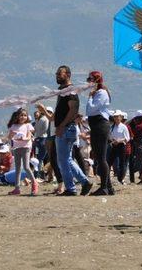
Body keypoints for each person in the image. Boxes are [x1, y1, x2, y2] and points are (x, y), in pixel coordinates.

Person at [37, 65, 92, 196]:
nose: (57, 75)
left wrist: (61, 126)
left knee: (63, 160)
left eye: (59, 73)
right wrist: (44, 110)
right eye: (56, 73)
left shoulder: (70, 91)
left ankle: (71, 188)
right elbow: (53, 117)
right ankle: (84, 182)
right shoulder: (62, 92)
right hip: (65, 128)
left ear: (67, 75)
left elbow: (73, 110)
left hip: (67, 129)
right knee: (66, 159)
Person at [85, 70, 113, 196]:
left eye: (90, 80)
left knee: (101, 157)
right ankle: (109, 186)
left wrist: (90, 97)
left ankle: (104, 187)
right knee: (98, 156)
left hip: (100, 125)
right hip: (96, 125)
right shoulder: (97, 93)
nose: (89, 82)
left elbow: (91, 109)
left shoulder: (101, 93)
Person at [7, 108, 38, 195]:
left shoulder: (28, 125)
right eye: (21, 115)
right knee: (17, 168)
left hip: (26, 147)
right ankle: (17, 188)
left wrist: (23, 138)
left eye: (25, 115)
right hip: (16, 148)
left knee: (26, 166)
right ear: (17, 116)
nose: (23, 117)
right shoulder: (13, 126)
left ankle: (34, 184)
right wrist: (12, 135)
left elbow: (29, 137)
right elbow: (9, 137)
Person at [128, 111, 142, 185]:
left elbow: (132, 129)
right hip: (139, 145)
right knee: (141, 161)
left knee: (140, 162)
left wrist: (131, 122)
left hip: (140, 145)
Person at [108, 110, 130, 184]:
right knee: (110, 161)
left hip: (121, 146)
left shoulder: (124, 127)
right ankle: (108, 178)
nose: (116, 118)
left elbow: (127, 138)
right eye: (115, 117)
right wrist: (113, 140)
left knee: (122, 163)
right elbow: (110, 136)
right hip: (114, 146)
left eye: (118, 117)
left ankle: (121, 178)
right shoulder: (112, 127)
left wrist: (119, 140)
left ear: (121, 117)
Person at [32, 110, 49, 179]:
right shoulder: (45, 119)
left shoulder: (37, 121)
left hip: (37, 139)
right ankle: (38, 174)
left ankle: (37, 173)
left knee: (38, 158)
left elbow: (34, 130)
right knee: (41, 158)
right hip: (43, 139)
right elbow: (45, 129)